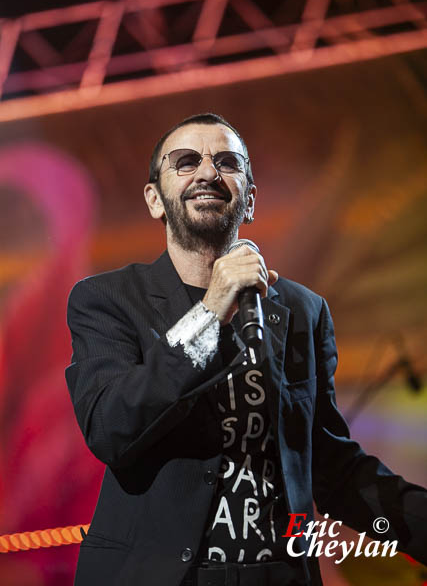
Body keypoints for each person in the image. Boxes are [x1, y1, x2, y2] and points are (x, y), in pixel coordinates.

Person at [66, 113, 427, 586]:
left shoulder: (301, 310)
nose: (208, 172)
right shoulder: (109, 300)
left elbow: (331, 468)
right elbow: (111, 427)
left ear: (250, 200)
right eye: (186, 161)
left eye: (227, 162)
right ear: (155, 199)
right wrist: (213, 308)